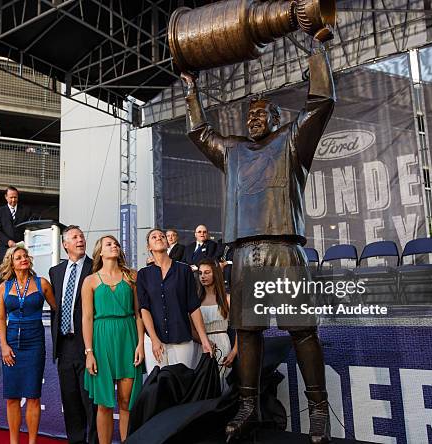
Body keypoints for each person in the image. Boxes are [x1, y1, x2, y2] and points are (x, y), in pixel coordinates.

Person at [181, 41, 335, 442]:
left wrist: (317, 52)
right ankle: (248, 405)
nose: (253, 120)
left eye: (261, 113)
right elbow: (198, 131)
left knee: (301, 330)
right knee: (247, 333)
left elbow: (320, 102)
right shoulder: (232, 152)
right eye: (249, 115)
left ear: (278, 116)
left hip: (284, 248)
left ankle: (318, 407)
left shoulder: (292, 140)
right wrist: (191, 91)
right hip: (244, 252)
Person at [82, 235, 144, 444]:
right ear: (100, 251)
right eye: (109, 244)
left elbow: (139, 314)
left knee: (126, 401)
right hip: (101, 340)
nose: (114, 246)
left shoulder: (131, 277)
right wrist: (89, 352)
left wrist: (140, 345)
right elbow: (87, 318)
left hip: (128, 337)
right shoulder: (90, 281)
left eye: (116, 243)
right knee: (104, 404)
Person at [0, 245, 56, 444]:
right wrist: (4, 345)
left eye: (25, 256)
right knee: (12, 396)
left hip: (35, 342)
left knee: (33, 395)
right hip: (12, 341)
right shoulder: (4, 287)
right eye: (18, 257)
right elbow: (1, 319)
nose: (23, 259)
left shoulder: (42, 284)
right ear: (11, 264)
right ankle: (14, 442)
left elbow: (58, 310)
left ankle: (32, 441)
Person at [137, 229, 213, 372]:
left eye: (162, 236)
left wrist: (204, 340)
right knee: (157, 386)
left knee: (182, 386)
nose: (159, 238)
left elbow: (193, 307)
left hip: (182, 338)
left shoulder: (184, 270)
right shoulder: (143, 274)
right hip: (154, 340)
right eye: (154, 237)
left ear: (168, 243)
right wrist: (154, 339)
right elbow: (144, 309)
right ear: (149, 247)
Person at [48, 225, 97, 444]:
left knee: (91, 401)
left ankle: (94, 440)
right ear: (65, 244)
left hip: (87, 343)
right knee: (70, 401)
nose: (80, 240)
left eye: (82, 236)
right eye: (75, 237)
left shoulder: (95, 267)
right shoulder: (55, 272)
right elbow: (55, 308)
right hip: (64, 345)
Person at [196, 258, 237, 392]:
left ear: (216, 274)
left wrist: (234, 352)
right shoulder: (195, 300)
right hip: (200, 345)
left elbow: (240, 330)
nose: (203, 276)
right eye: (201, 273)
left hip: (222, 343)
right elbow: (191, 328)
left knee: (220, 383)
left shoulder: (227, 299)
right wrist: (203, 340)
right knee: (202, 385)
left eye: (207, 272)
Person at [0, 186, 32, 264]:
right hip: (6, 249)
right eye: (11, 197)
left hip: (21, 249)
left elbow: (30, 227)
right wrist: (8, 241)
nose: (13, 200)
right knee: (5, 273)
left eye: (15, 197)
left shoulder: (26, 211)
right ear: (6, 197)